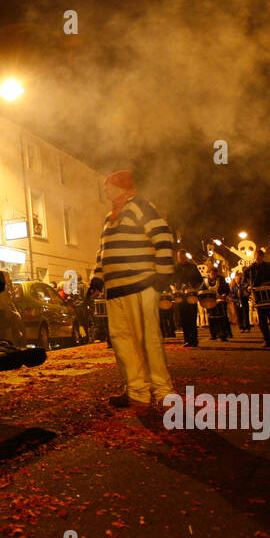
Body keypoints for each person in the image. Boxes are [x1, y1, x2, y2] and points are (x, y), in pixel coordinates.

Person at [88, 170, 176, 407]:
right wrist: (97, 279)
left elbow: (163, 236)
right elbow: (103, 252)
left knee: (148, 339)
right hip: (116, 289)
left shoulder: (140, 206)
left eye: (107, 186)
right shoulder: (110, 218)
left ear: (119, 186)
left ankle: (163, 390)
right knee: (122, 341)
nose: (105, 190)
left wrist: (163, 274)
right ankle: (137, 390)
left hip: (141, 284)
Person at [245, 256, 270, 348]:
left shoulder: (269, 266)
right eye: (257, 257)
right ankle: (267, 339)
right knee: (262, 322)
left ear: (262, 257)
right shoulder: (250, 269)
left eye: (260, 257)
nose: (258, 259)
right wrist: (248, 287)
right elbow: (245, 281)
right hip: (259, 298)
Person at [170, 252, 204, 348]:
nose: (182, 258)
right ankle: (187, 340)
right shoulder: (176, 268)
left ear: (186, 256)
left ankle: (194, 340)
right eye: (180, 257)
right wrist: (175, 290)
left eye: (183, 256)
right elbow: (171, 282)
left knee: (192, 318)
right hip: (180, 296)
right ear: (178, 257)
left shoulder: (193, 267)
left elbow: (200, 281)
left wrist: (194, 289)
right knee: (184, 319)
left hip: (191, 295)